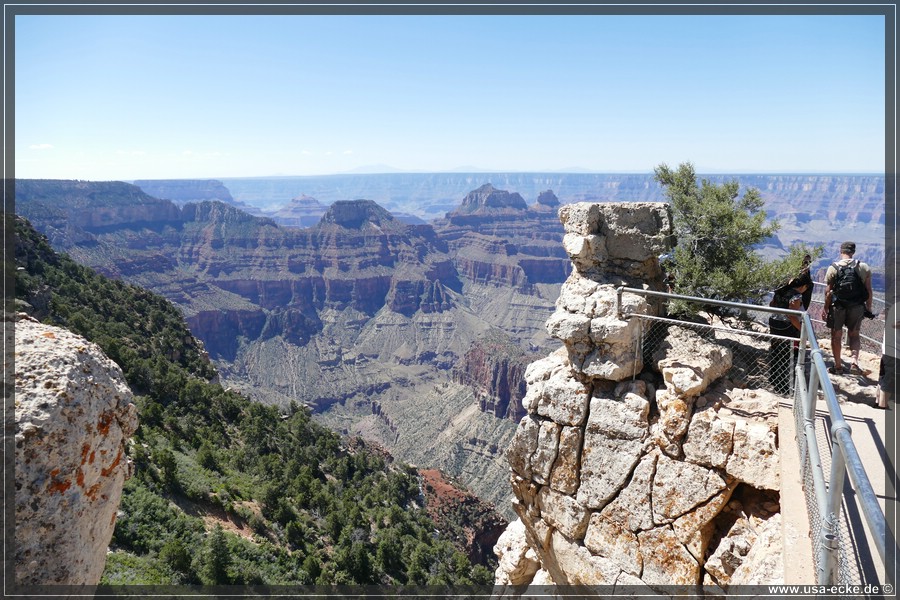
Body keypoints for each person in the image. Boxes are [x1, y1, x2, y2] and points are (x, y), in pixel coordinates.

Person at [822, 241, 873, 375]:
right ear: (853, 252)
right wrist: (869, 308)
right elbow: (869, 291)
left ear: (841, 251)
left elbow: (828, 292)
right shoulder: (863, 267)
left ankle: (838, 367)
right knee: (854, 335)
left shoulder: (833, 268)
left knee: (836, 336)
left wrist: (826, 308)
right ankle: (854, 362)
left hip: (838, 307)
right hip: (857, 307)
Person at [768, 272, 812, 394]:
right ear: (803, 286)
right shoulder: (796, 296)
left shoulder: (780, 290)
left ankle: (773, 378)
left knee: (776, 351)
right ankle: (782, 386)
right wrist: (802, 330)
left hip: (774, 322)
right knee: (787, 355)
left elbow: (771, 304)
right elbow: (792, 316)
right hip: (786, 327)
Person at [876, 302, 897, 409]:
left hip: (889, 349)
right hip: (894, 350)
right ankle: (882, 406)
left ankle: (878, 402)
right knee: (889, 379)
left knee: (883, 377)